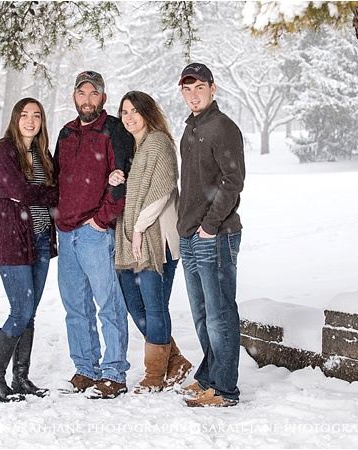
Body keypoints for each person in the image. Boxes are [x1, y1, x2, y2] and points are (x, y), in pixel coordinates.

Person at [53, 70, 134, 399]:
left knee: (108, 304)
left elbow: (124, 180)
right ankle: (86, 368)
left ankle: (114, 373)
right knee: (75, 306)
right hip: (66, 231)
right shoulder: (66, 133)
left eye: (94, 93)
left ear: (103, 97)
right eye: (82, 93)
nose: (87, 99)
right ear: (74, 97)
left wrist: (102, 221)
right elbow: (56, 179)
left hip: (95, 233)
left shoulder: (113, 129)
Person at [109, 91, 193, 393]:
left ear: (147, 113)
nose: (129, 117)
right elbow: (133, 191)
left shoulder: (158, 143)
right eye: (124, 112)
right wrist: (117, 178)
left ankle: (155, 375)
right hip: (131, 237)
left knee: (155, 309)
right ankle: (175, 361)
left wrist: (141, 228)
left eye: (134, 111)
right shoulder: (135, 146)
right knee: (136, 305)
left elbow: (161, 190)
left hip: (158, 239)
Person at [175, 63, 245, 407]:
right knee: (202, 315)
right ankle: (209, 377)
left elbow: (233, 182)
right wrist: (186, 228)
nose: (192, 95)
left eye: (198, 88)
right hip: (190, 235)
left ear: (212, 89)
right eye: (186, 90)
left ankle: (225, 390)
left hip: (215, 235)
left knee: (220, 315)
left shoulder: (222, 128)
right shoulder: (190, 129)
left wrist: (210, 226)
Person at [0, 98, 59, 402]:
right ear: (15, 119)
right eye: (24, 115)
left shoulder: (42, 154)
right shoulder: (4, 150)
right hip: (13, 240)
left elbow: (47, 194)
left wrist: (44, 194)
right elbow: (21, 191)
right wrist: (48, 192)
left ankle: (21, 378)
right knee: (21, 310)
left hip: (40, 240)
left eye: (36, 115)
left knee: (30, 313)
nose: (30, 120)